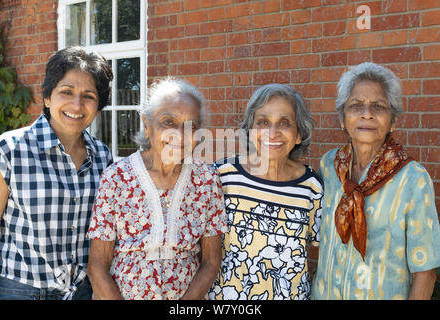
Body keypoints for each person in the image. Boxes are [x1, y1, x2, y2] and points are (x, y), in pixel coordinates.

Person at [86, 77, 227, 300]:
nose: (179, 135)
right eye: (168, 122)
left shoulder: (207, 179)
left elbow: (211, 261)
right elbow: (97, 266)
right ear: (147, 125)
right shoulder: (116, 177)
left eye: (190, 126)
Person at [0, 46, 113, 300]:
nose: (76, 105)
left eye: (88, 96)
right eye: (66, 92)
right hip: (18, 291)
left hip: (82, 292)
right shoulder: (8, 150)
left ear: (98, 105)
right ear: (47, 97)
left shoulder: (104, 157)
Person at [312, 62, 440, 300]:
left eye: (378, 106)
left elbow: (426, 273)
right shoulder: (329, 166)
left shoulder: (413, 178)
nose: (366, 113)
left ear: (393, 122)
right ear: (342, 119)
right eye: (356, 105)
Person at [208, 83, 323, 300]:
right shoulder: (222, 176)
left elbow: (318, 252)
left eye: (285, 123)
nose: (273, 132)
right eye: (263, 122)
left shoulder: (312, 186)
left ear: (299, 134)